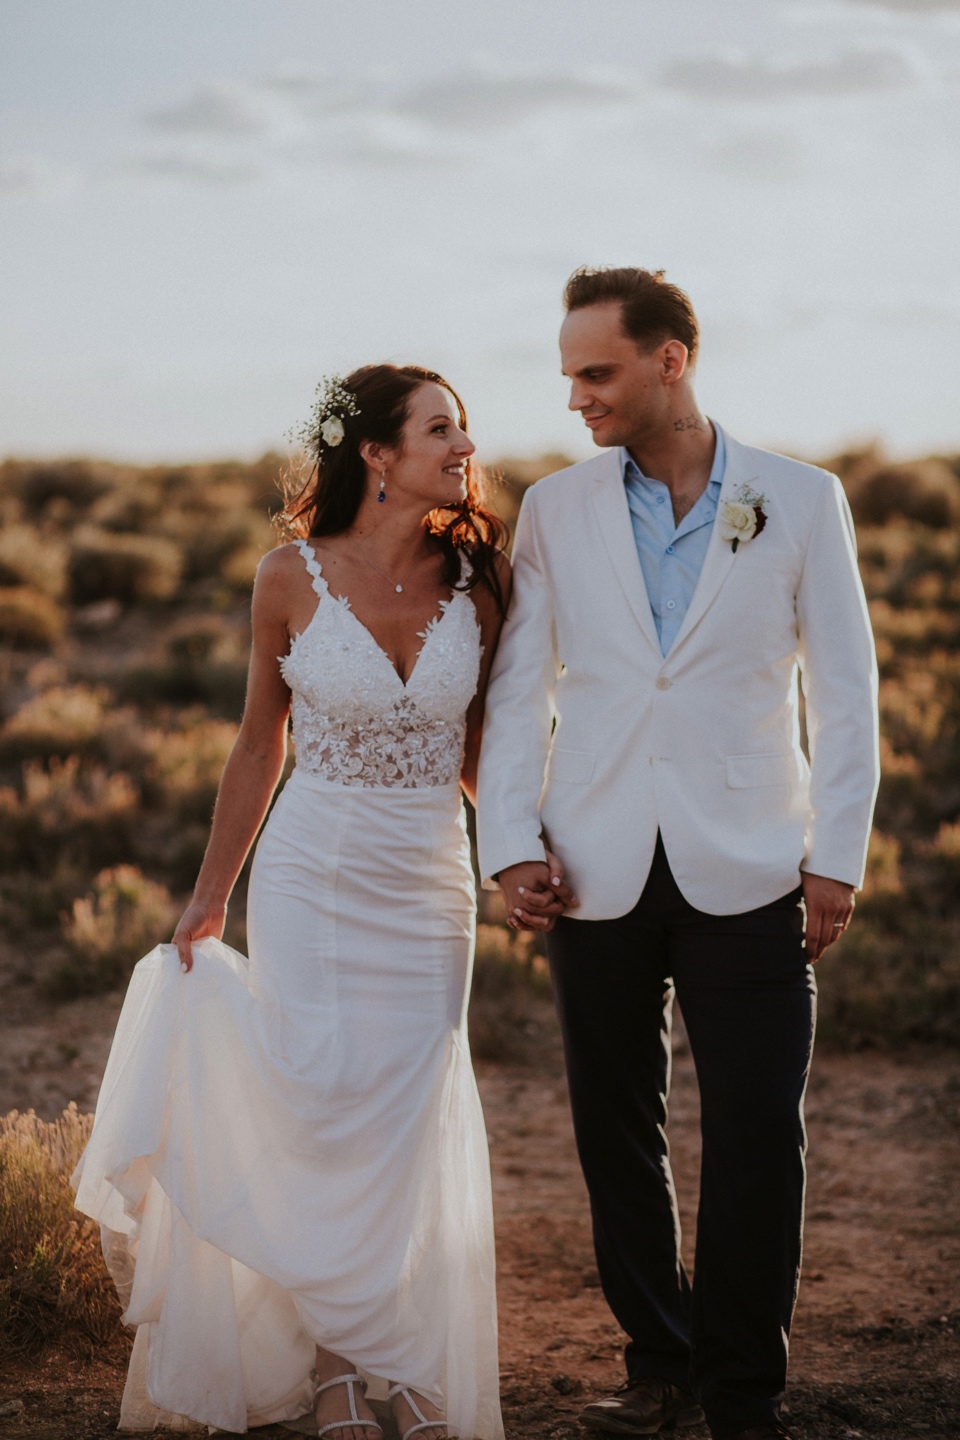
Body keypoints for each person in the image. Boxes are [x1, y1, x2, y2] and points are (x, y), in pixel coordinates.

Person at [476, 268, 879, 1440]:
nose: (577, 399)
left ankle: (743, 1389)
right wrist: (508, 842)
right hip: (591, 859)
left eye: (596, 373)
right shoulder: (556, 509)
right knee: (617, 1130)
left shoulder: (803, 499)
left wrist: (835, 857)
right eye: (568, 377)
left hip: (753, 863)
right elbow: (519, 689)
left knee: (759, 1131)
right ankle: (659, 1361)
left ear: (670, 360)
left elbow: (846, 697)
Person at [73, 364, 510, 1440]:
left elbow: (482, 751)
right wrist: (207, 898)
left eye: (462, 427)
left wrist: (521, 854)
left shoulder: (480, 581)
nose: (464, 444)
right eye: (439, 427)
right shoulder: (290, 575)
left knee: (407, 1108)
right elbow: (258, 743)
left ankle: (396, 1355)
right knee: (322, 1101)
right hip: (315, 868)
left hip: (429, 877)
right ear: (376, 453)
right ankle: (332, 1366)